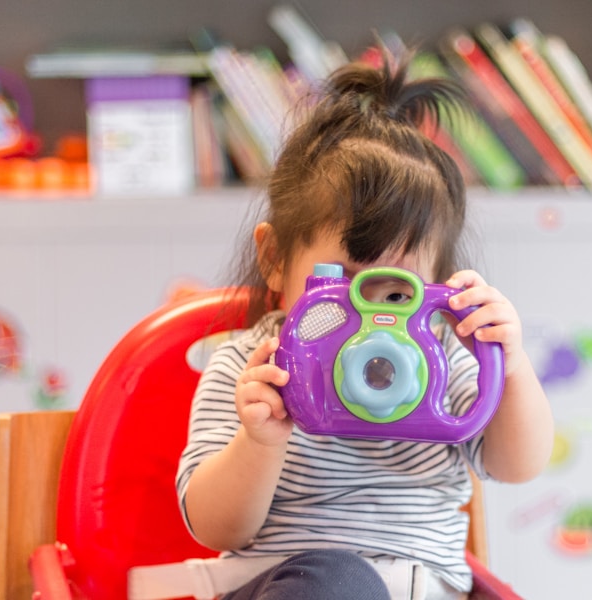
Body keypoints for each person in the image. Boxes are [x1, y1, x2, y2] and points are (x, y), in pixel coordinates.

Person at [175, 50, 554, 600]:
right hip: (292, 586)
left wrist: (510, 367)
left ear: (437, 288)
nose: (370, 321)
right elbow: (215, 529)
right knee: (337, 583)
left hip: (424, 588)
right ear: (276, 258)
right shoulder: (250, 369)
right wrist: (259, 442)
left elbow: (517, 465)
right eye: (342, 287)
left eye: (398, 294)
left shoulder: (440, 359)